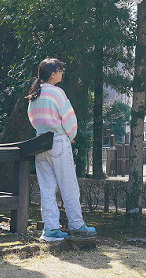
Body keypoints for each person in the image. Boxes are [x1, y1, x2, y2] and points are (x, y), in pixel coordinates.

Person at [26, 58, 96, 242]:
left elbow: (33, 121)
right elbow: (69, 119)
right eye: (59, 70)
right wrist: (70, 135)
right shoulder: (57, 93)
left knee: (46, 188)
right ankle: (77, 225)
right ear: (52, 74)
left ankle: (50, 228)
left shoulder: (35, 95)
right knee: (69, 185)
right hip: (58, 141)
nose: (62, 73)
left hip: (40, 144)